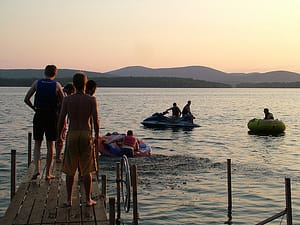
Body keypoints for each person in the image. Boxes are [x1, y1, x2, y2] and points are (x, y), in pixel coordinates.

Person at [57, 72, 99, 207]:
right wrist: (97, 136)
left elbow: (61, 119)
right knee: (87, 169)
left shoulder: (67, 99)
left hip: (73, 133)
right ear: (85, 84)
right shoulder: (91, 100)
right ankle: (88, 199)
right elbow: (95, 120)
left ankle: (69, 200)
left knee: (70, 169)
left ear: (74, 84)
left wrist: (59, 136)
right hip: (86, 134)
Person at [24, 65, 64, 180]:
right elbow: (63, 102)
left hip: (39, 114)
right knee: (50, 144)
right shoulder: (57, 85)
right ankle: (47, 173)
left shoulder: (37, 83)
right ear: (55, 74)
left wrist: (34, 108)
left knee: (37, 143)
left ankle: (36, 170)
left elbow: (26, 99)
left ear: (44, 72)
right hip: (52, 116)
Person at [55, 83, 75, 162]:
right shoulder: (65, 97)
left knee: (55, 138)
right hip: (60, 118)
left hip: (53, 117)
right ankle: (58, 157)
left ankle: (57, 155)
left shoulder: (58, 94)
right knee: (61, 137)